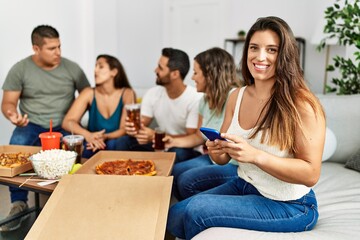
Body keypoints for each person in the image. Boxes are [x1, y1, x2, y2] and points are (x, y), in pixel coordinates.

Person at [167, 16, 326, 240]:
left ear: (285, 56)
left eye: (272, 50)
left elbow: (311, 174)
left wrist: (255, 156)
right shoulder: (236, 96)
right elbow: (221, 159)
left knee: (197, 210)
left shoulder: (302, 104)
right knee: (175, 213)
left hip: (291, 205)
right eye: (254, 48)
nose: (260, 57)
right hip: (245, 184)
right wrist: (217, 151)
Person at [0, 25, 90, 232]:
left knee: (77, 153)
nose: (58, 52)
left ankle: (72, 202)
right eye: (51, 48)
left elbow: (89, 96)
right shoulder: (20, 69)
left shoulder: (72, 68)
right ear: (36, 48)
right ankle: (19, 204)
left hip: (64, 124)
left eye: (59, 46)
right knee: (18, 145)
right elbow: (8, 103)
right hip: (32, 124)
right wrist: (13, 115)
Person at [166, 47, 240, 200]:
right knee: (175, 170)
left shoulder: (234, 97)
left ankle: (203, 205)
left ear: (211, 74)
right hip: (212, 158)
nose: (192, 78)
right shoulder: (204, 101)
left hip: (233, 164)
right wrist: (173, 140)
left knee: (187, 180)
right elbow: (199, 136)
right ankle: (185, 208)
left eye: (195, 72)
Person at [115, 48, 202, 162]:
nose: (155, 70)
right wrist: (134, 129)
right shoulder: (152, 94)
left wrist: (156, 136)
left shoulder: (194, 98)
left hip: (184, 148)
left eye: (160, 68)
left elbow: (190, 136)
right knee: (123, 142)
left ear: (175, 74)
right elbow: (142, 124)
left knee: (175, 154)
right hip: (158, 143)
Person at [62, 54, 136, 158]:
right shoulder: (89, 93)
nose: (95, 70)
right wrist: (88, 135)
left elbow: (125, 129)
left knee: (117, 143)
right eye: (95, 66)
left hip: (114, 143)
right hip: (92, 143)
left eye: (100, 67)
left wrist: (105, 136)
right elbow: (67, 122)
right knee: (74, 141)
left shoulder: (127, 93)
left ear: (114, 72)